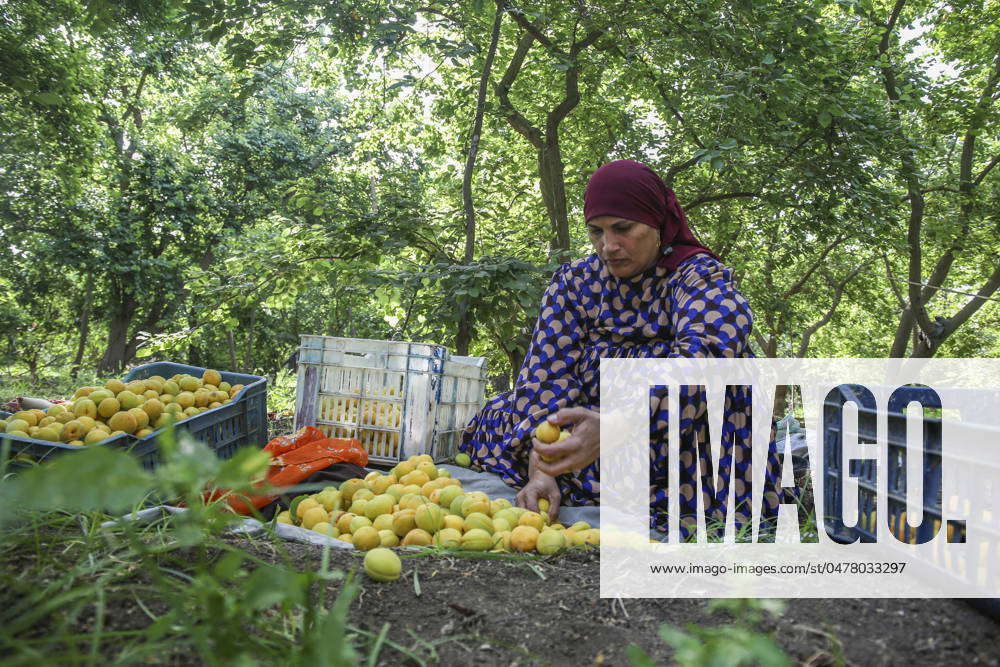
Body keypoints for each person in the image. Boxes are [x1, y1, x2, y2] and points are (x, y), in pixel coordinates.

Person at [457, 159, 784, 537]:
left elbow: (707, 356)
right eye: (596, 232)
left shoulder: (698, 277)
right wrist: (543, 466)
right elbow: (547, 371)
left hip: (674, 437)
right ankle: (571, 471)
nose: (608, 246)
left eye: (623, 229)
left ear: (657, 223)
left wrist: (619, 424)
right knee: (500, 415)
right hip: (588, 429)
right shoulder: (576, 282)